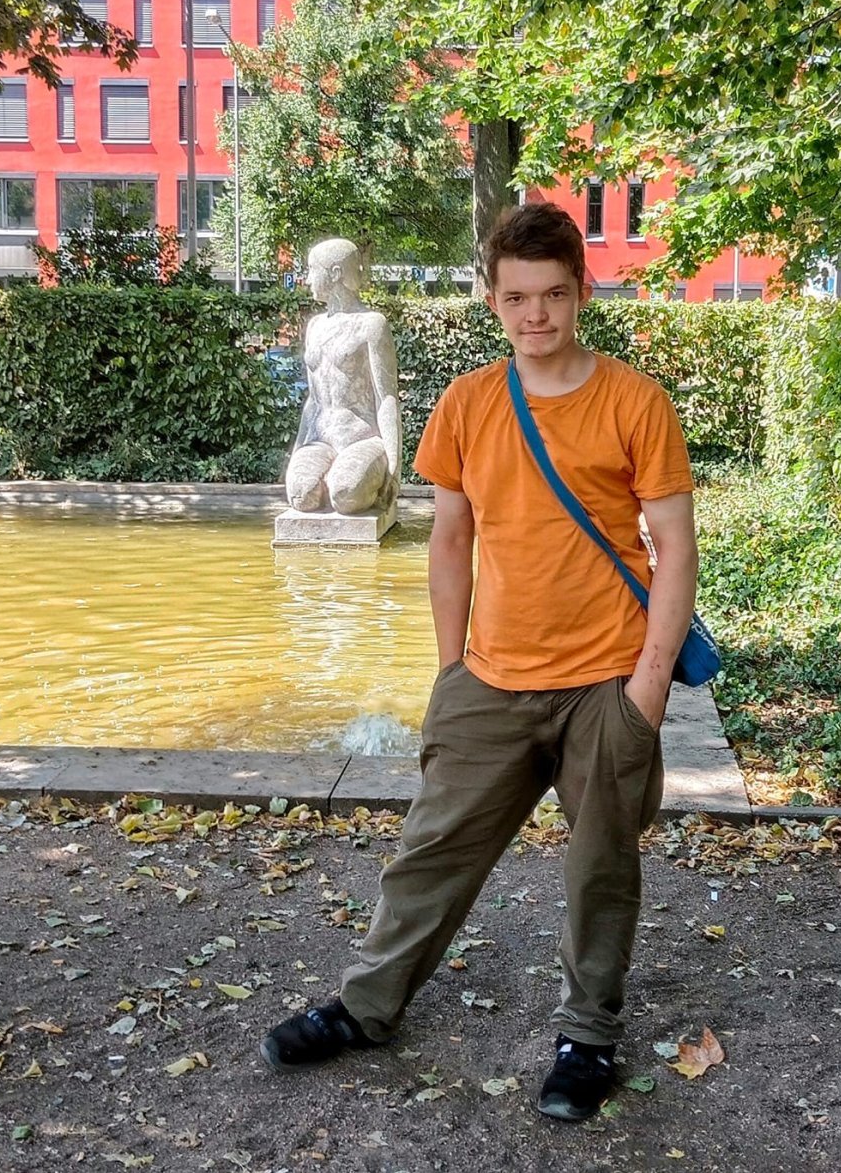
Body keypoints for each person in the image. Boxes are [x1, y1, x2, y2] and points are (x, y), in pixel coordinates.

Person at [260, 202, 698, 1122]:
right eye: (516, 298)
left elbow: (673, 545)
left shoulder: (634, 401)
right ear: (492, 300)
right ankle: (366, 1005)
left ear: (581, 292)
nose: (535, 314)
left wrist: (648, 690)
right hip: (490, 679)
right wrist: (450, 666)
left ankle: (587, 1037)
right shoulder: (467, 402)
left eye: (552, 295)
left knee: (600, 868)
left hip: (607, 683)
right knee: (429, 853)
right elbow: (450, 539)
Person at [284, 238, 401, 518]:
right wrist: (297, 452)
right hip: (320, 438)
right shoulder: (315, 327)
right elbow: (313, 401)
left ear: (335, 273)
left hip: (361, 439)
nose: (308, 278)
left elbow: (386, 396)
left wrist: (395, 465)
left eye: (313, 269)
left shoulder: (371, 324)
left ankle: (360, 473)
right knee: (302, 494)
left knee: (345, 493)